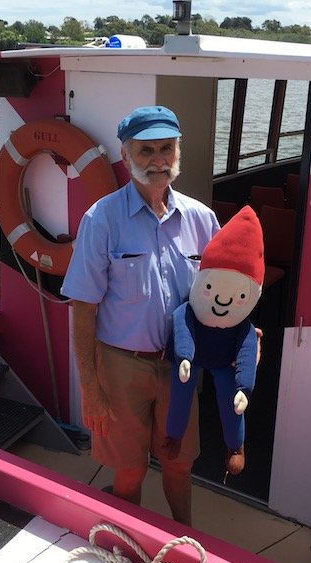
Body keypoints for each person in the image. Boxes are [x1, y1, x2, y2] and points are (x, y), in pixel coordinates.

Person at [60, 106, 220, 525]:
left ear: (178, 150)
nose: (158, 160)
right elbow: (83, 307)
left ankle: (185, 539)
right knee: (129, 470)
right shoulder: (102, 219)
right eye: (145, 150)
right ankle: (128, 540)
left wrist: (243, 332)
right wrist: (90, 389)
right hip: (121, 368)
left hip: (181, 369)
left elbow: (221, 294)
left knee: (179, 464)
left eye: (166, 148)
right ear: (126, 153)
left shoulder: (203, 220)